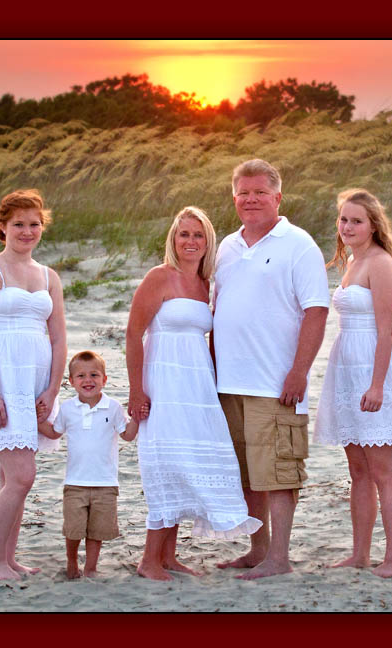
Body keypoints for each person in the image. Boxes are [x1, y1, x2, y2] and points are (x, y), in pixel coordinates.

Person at [126, 206, 262, 581]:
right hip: (163, 383)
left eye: (198, 235)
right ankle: (149, 560)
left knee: (186, 465)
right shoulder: (159, 277)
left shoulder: (206, 285)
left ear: (208, 242)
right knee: (167, 467)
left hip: (197, 385)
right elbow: (133, 334)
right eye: (184, 234)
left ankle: (169, 557)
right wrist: (136, 391)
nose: (190, 241)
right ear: (173, 238)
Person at [212, 159, 330, 580]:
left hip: (275, 382)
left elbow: (316, 311)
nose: (251, 199)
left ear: (278, 197)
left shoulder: (298, 244)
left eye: (260, 192)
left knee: (279, 473)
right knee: (247, 475)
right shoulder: (225, 246)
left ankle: (279, 558)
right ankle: (257, 551)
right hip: (228, 382)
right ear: (234, 197)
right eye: (243, 192)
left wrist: (299, 371)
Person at [313, 188, 392, 578]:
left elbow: (386, 331)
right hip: (347, 364)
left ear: (373, 225)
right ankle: (360, 553)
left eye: (356, 220)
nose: (347, 227)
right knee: (357, 469)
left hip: (376, 367)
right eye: (343, 219)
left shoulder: (380, 263)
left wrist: (376, 385)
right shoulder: (352, 263)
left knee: (383, 469)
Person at [0, 188, 66, 580]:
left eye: (34, 224)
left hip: (38, 381)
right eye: (19, 224)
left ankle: (9, 559)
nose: (27, 231)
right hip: (3, 381)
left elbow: (58, 338)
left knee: (13, 478)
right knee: (22, 476)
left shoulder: (48, 276)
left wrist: (54, 389)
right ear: (3, 228)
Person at [37, 350, 138, 579]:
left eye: (94, 374)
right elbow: (53, 433)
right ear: (71, 381)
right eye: (81, 376)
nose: (88, 380)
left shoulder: (113, 407)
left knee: (96, 531)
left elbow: (128, 436)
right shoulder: (68, 408)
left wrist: (139, 419)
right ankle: (72, 563)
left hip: (105, 482)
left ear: (105, 379)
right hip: (75, 482)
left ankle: (91, 567)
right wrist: (35, 420)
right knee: (73, 529)